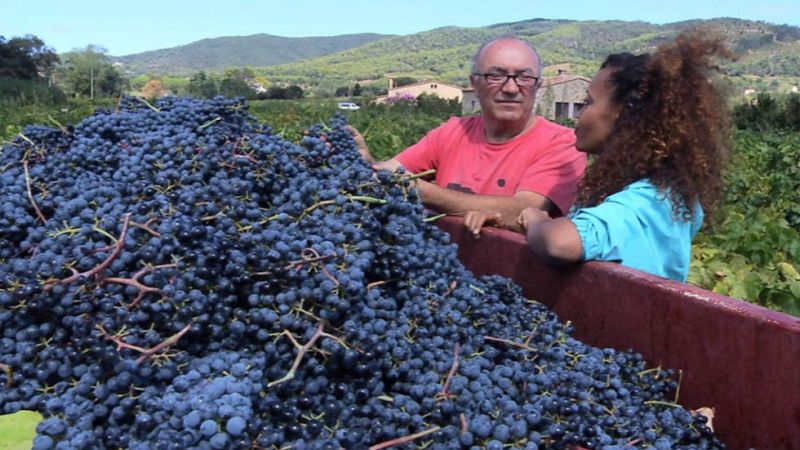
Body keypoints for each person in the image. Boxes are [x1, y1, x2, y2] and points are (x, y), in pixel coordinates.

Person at [514, 30, 731, 282]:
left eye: (587, 102)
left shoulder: (655, 200)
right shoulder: (629, 189)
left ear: (625, 116)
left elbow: (559, 242)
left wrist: (535, 221)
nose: (579, 115)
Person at [349, 36, 586, 233]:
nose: (511, 88)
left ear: (537, 85)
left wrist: (424, 192)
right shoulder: (454, 131)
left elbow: (523, 212)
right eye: (496, 75)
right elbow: (393, 172)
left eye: (524, 77)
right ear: (475, 83)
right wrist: (367, 163)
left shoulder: (562, 143)